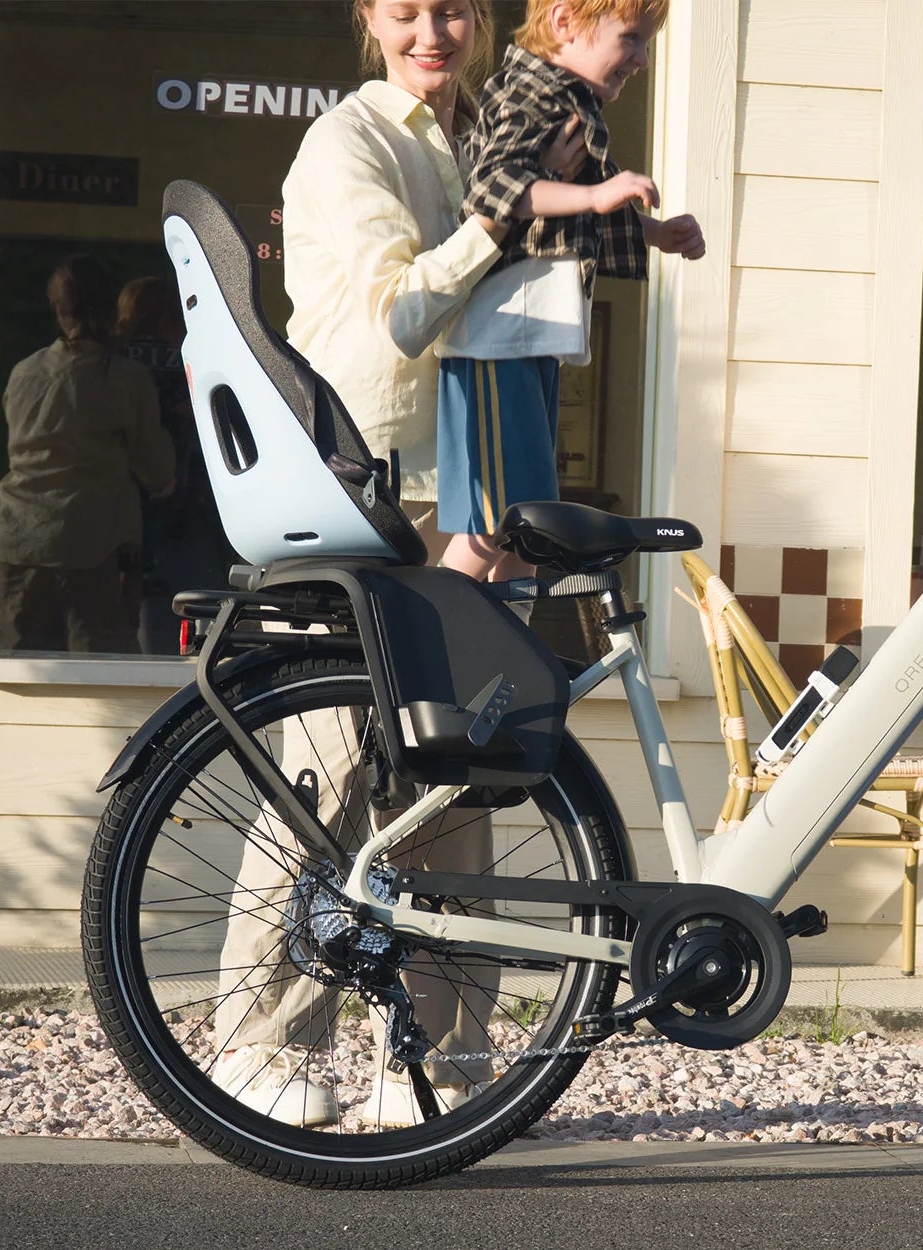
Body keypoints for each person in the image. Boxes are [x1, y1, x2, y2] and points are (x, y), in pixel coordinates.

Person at [209, 0, 587, 1131]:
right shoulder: (348, 141)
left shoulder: (486, 138)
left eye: (454, 8)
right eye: (406, 9)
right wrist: (510, 212)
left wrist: (557, 207)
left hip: (472, 485)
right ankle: (258, 1043)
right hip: (363, 488)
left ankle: (442, 1060)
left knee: (467, 763)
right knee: (332, 768)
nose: (433, 31)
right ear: (369, 18)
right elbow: (401, 311)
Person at [434, 0, 705, 583]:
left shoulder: (571, 100)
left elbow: (566, 217)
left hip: (533, 340)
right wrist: (596, 195)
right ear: (564, 23)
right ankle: (435, 623)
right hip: (497, 339)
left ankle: (503, 633)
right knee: (494, 521)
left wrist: (654, 232)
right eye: (630, 38)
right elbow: (495, 187)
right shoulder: (529, 93)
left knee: (530, 524)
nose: (641, 58)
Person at [0, 255, 175, 654]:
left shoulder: (24, 373)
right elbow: (157, 472)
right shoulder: (125, 379)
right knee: (101, 675)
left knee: (24, 671)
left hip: (17, 543)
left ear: (57, 309)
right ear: (110, 308)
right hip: (93, 550)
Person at [116, 274, 232, 654]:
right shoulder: (187, 357)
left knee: (140, 601)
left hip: (136, 496)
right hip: (183, 495)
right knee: (195, 596)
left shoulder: (115, 362)